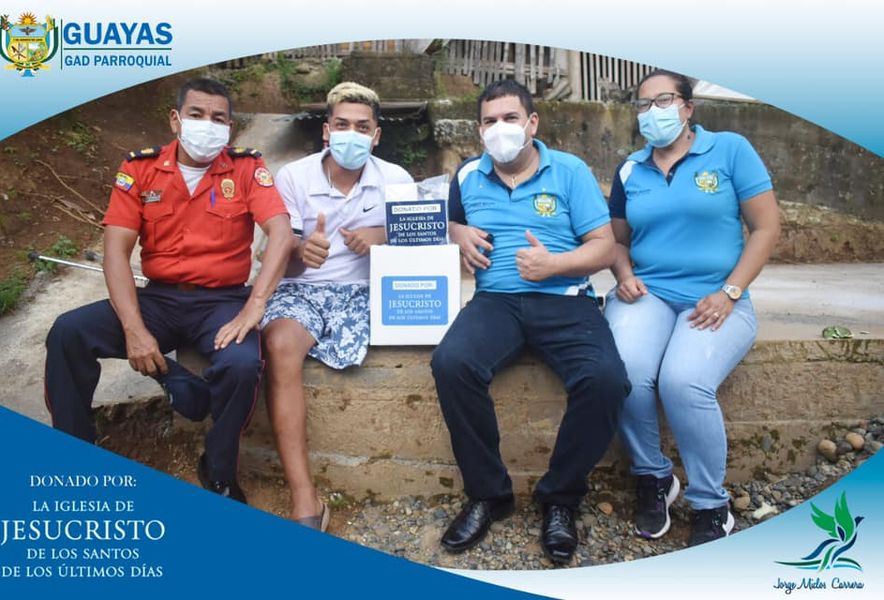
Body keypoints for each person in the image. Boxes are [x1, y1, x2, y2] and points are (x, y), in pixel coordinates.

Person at [44, 78, 293, 504]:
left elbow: (281, 234)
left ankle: (218, 471)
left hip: (221, 302)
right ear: (176, 120)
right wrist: (134, 329)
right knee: (68, 332)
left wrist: (255, 305)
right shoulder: (140, 169)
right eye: (197, 114)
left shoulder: (246, 168)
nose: (207, 124)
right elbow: (115, 252)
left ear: (230, 128)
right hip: (159, 299)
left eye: (218, 118)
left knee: (242, 364)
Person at [431, 79, 629, 564]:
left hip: (565, 300)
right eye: (489, 121)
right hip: (495, 301)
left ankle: (560, 498)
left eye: (510, 118)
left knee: (606, 380)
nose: (499, 129)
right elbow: (450, 223)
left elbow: (604, 247)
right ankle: (488, 494)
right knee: (452, 363)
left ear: (532, 123)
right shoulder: (467, 175)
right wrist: (456, 231)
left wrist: (555, 265)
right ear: (479, 130)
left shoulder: (570, 171)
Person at [604, 69, 780, 546]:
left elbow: (766, 227)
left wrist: (731, 292)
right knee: (622, 372)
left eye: (663, 100)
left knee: (682, 381)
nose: (652, 112)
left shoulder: (730, 150)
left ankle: (709, 503)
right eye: (643, 105)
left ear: (687, 107)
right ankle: (654, 477)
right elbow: (616, 241)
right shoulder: (629, 170)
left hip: (717, 297)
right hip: (649, 294)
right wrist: (624, 274)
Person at [260, 82, 412, 531]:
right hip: (303, 290)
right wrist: (300, 251)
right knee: (279, 343)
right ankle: (304, 496)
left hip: (367, 292)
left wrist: (381, 236)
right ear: (326, 131)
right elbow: (275, 256)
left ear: (376, 135)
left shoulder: (396, 180)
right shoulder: (294, 177)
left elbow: (422, 241)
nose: (351, 134)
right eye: (342, 125)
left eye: (362, 127)